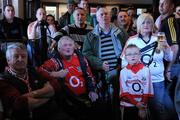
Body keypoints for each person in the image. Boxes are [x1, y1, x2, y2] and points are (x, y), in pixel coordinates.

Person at [121, 13, 177, 120]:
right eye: (143, 22)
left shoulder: (160, 38)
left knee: (157, 109)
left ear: (152, 25)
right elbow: (124, 62)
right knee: (140, 111)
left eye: (149, 22)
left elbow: (169, 58)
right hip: (138, 81)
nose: (146, 25)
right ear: (138, 25)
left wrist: (166, 47)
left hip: (157, 81)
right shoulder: (132, 40)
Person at [0, 43, 70, 120]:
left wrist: (30, 95)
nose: (20, 59)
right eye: (16, 56)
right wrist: (48, 94)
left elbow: (56, 84)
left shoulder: (34, 70)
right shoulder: (3, 80)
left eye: (23, 56)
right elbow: (19, 104)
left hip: (49, 113)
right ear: (8, 60)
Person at [38, 36, 98, 120]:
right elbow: (40, 71)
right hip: (68, 100)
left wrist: (92, 90)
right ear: (59, 49)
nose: (68, 47)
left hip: (86, 96)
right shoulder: (54, 61)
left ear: (74, 47)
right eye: (65, 45)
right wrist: (55, 74)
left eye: (70, 45)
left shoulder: (81, 59)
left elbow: (89, 76)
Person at [82, 7, 123, 120]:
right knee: (104, 102)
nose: (104, 16)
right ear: (97, 18)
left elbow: (128, 48)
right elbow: (86, 53)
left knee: (117, 100)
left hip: (119, 71)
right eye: (101, 14)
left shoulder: (120, 32)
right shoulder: (91, 35)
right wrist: (100, 64)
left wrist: (121, 63)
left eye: (106, 14)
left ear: (110, 16)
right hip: (100, 73)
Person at [120, 44, 153, 120]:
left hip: (143, 105)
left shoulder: (146, 70)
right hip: (128, 105)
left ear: (140, 55)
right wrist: (136, 104)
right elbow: (124, 92)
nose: (133, 56)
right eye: (129, 54)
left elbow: (147, 89)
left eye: (135, 53)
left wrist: (142, 106)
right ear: (125, 57)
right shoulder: (123, 72)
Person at [0, 4, 26, 72]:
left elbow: (24, 35)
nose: (10, 12)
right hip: (6, 44)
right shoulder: (1, 23)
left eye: (12, 10)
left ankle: (24, 68)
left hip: (19, 43)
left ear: (14, 12)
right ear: (4, 12)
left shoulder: (20, 21)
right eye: (8, 10)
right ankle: (9, 68)